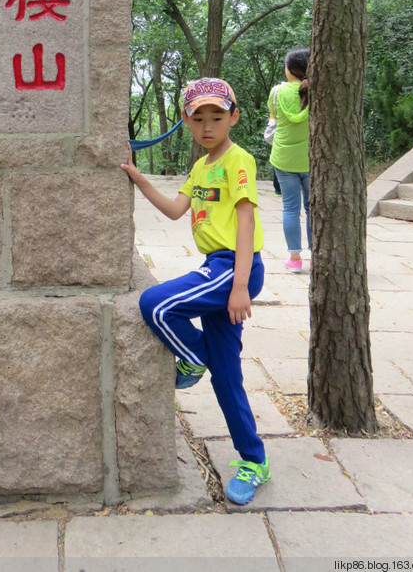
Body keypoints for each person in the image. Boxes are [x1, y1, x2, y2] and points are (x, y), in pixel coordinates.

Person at [121, 77, 269, 506]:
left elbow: (245, 221)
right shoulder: (202, 166)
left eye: (217, 117)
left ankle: (192, 357)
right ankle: (254, 459)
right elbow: (173, 210)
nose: (208, 126)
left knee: (156, 304)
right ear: (186, 121)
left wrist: (240, 285)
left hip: (233, 268)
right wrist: (135, 176)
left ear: (233, 117)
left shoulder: (237, 160)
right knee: (228, 376)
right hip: (216, 268)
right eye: (198, 118)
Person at [268, 48, 311, 272]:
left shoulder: (277, 92)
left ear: (290, 70)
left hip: (283, 158)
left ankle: (295, 259)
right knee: (313, 208)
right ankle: (317, 256)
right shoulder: (317, 91)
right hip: (311, 159)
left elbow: (273, 115)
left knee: (290, 208)